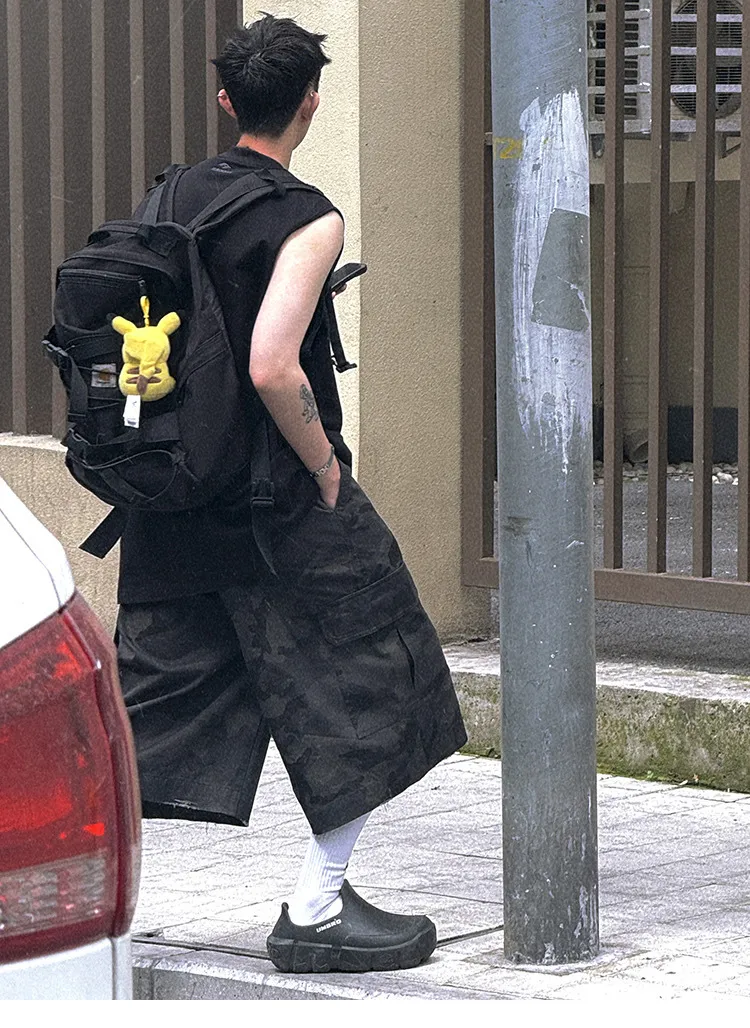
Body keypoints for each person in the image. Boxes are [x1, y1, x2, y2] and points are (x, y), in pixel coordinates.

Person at [115, 14, 467, 975]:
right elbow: (273, 365)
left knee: (148, 716)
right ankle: (316, 910)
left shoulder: (166, 196)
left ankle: (35, 887)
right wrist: (323, 468)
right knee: (375, 674)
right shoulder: (307, 217)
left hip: (171, 501)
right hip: (276, 507)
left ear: (227, 100)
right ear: (310, 101)